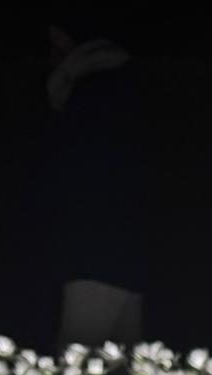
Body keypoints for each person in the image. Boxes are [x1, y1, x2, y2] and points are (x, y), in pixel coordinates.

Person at [45, 18, 147, 350]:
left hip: (94, 256)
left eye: (60, 42)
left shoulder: (92, 90)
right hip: (124, 255)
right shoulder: (124, 82)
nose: (54, 53)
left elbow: (78, 178)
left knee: (78, 369)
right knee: (121, 374)